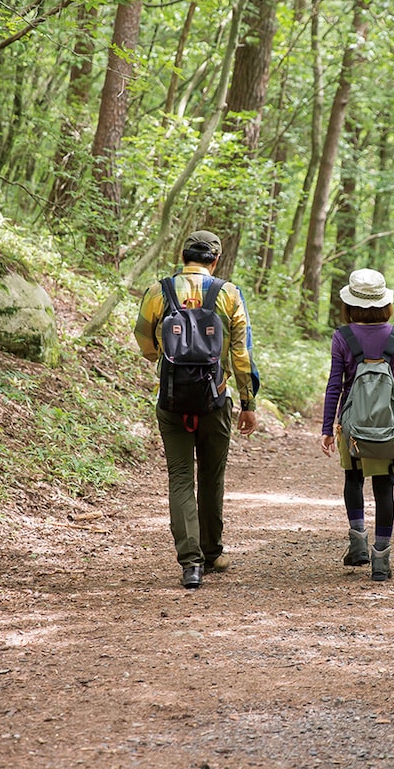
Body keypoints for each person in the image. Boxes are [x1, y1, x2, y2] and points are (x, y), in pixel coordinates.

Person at [134, 230, 259, 590]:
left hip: (172, 399)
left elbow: (144, 339)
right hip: (215, 398)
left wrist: (166, 356)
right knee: (211, 475)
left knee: (180, 476)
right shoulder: (228, 293)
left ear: (182, 255)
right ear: (215, 260)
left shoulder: (160, 291)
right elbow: (241, 353)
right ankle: (212, 551)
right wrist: (248, 403)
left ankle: (190, 564)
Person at [320, 268, 394, 581]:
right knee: (384, 484)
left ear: (350, 303)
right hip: (387, 421)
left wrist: (327, 427)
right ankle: (382, 561)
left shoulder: (342, 336)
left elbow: (335, 383)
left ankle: (357, 543)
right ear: (384, 302)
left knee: (353, 478)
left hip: (351, 421)